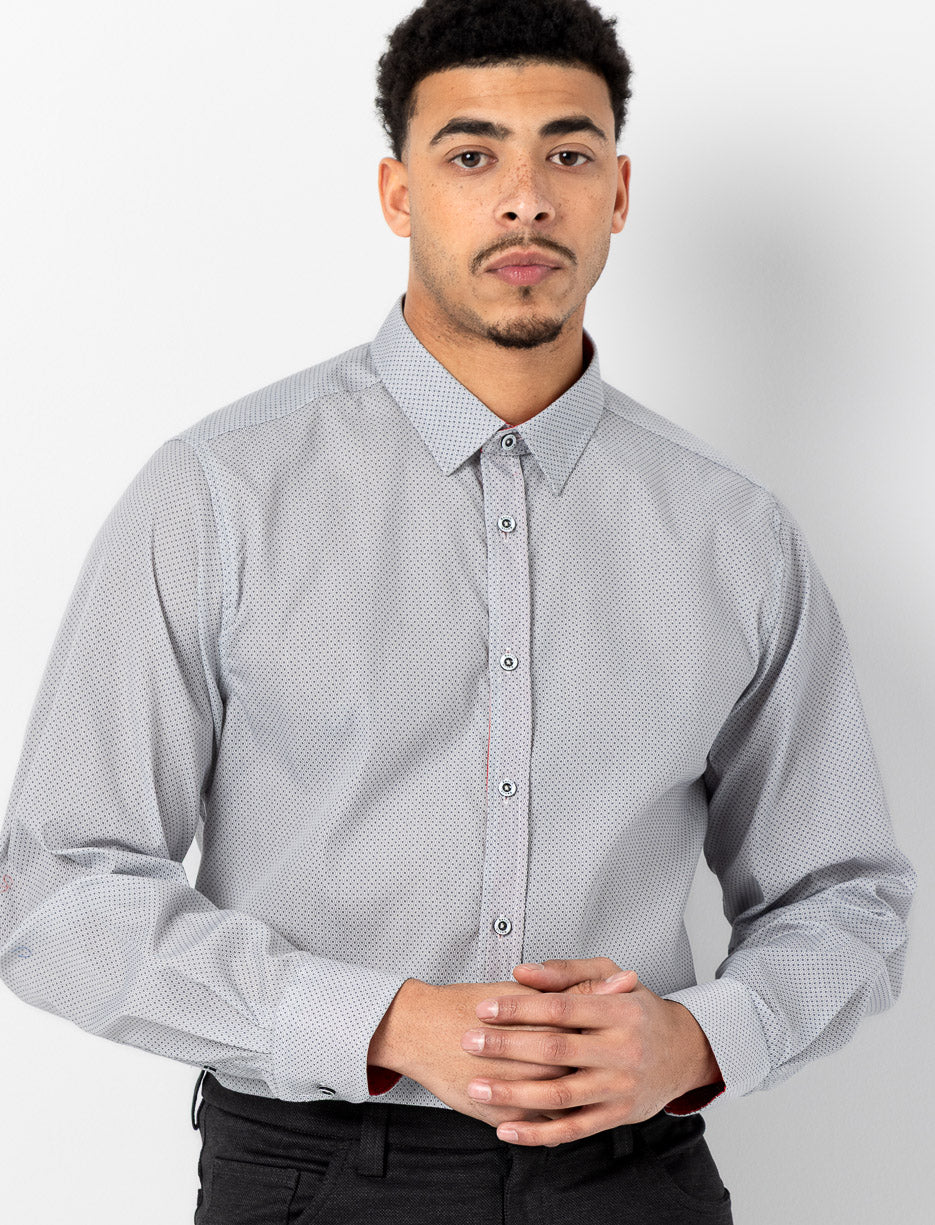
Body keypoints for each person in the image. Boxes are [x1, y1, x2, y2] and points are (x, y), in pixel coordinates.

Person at [0, 0, 918, 1221]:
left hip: (633, 1177)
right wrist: (378, 1021)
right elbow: (58, 883)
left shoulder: (732, 531)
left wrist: (696, 1041)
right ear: (399, 193)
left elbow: (845, 895)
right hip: (315, 1172)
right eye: (472, 155)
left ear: (617, 192)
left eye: (567, 154)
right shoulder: (219, 492)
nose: (525, 200)